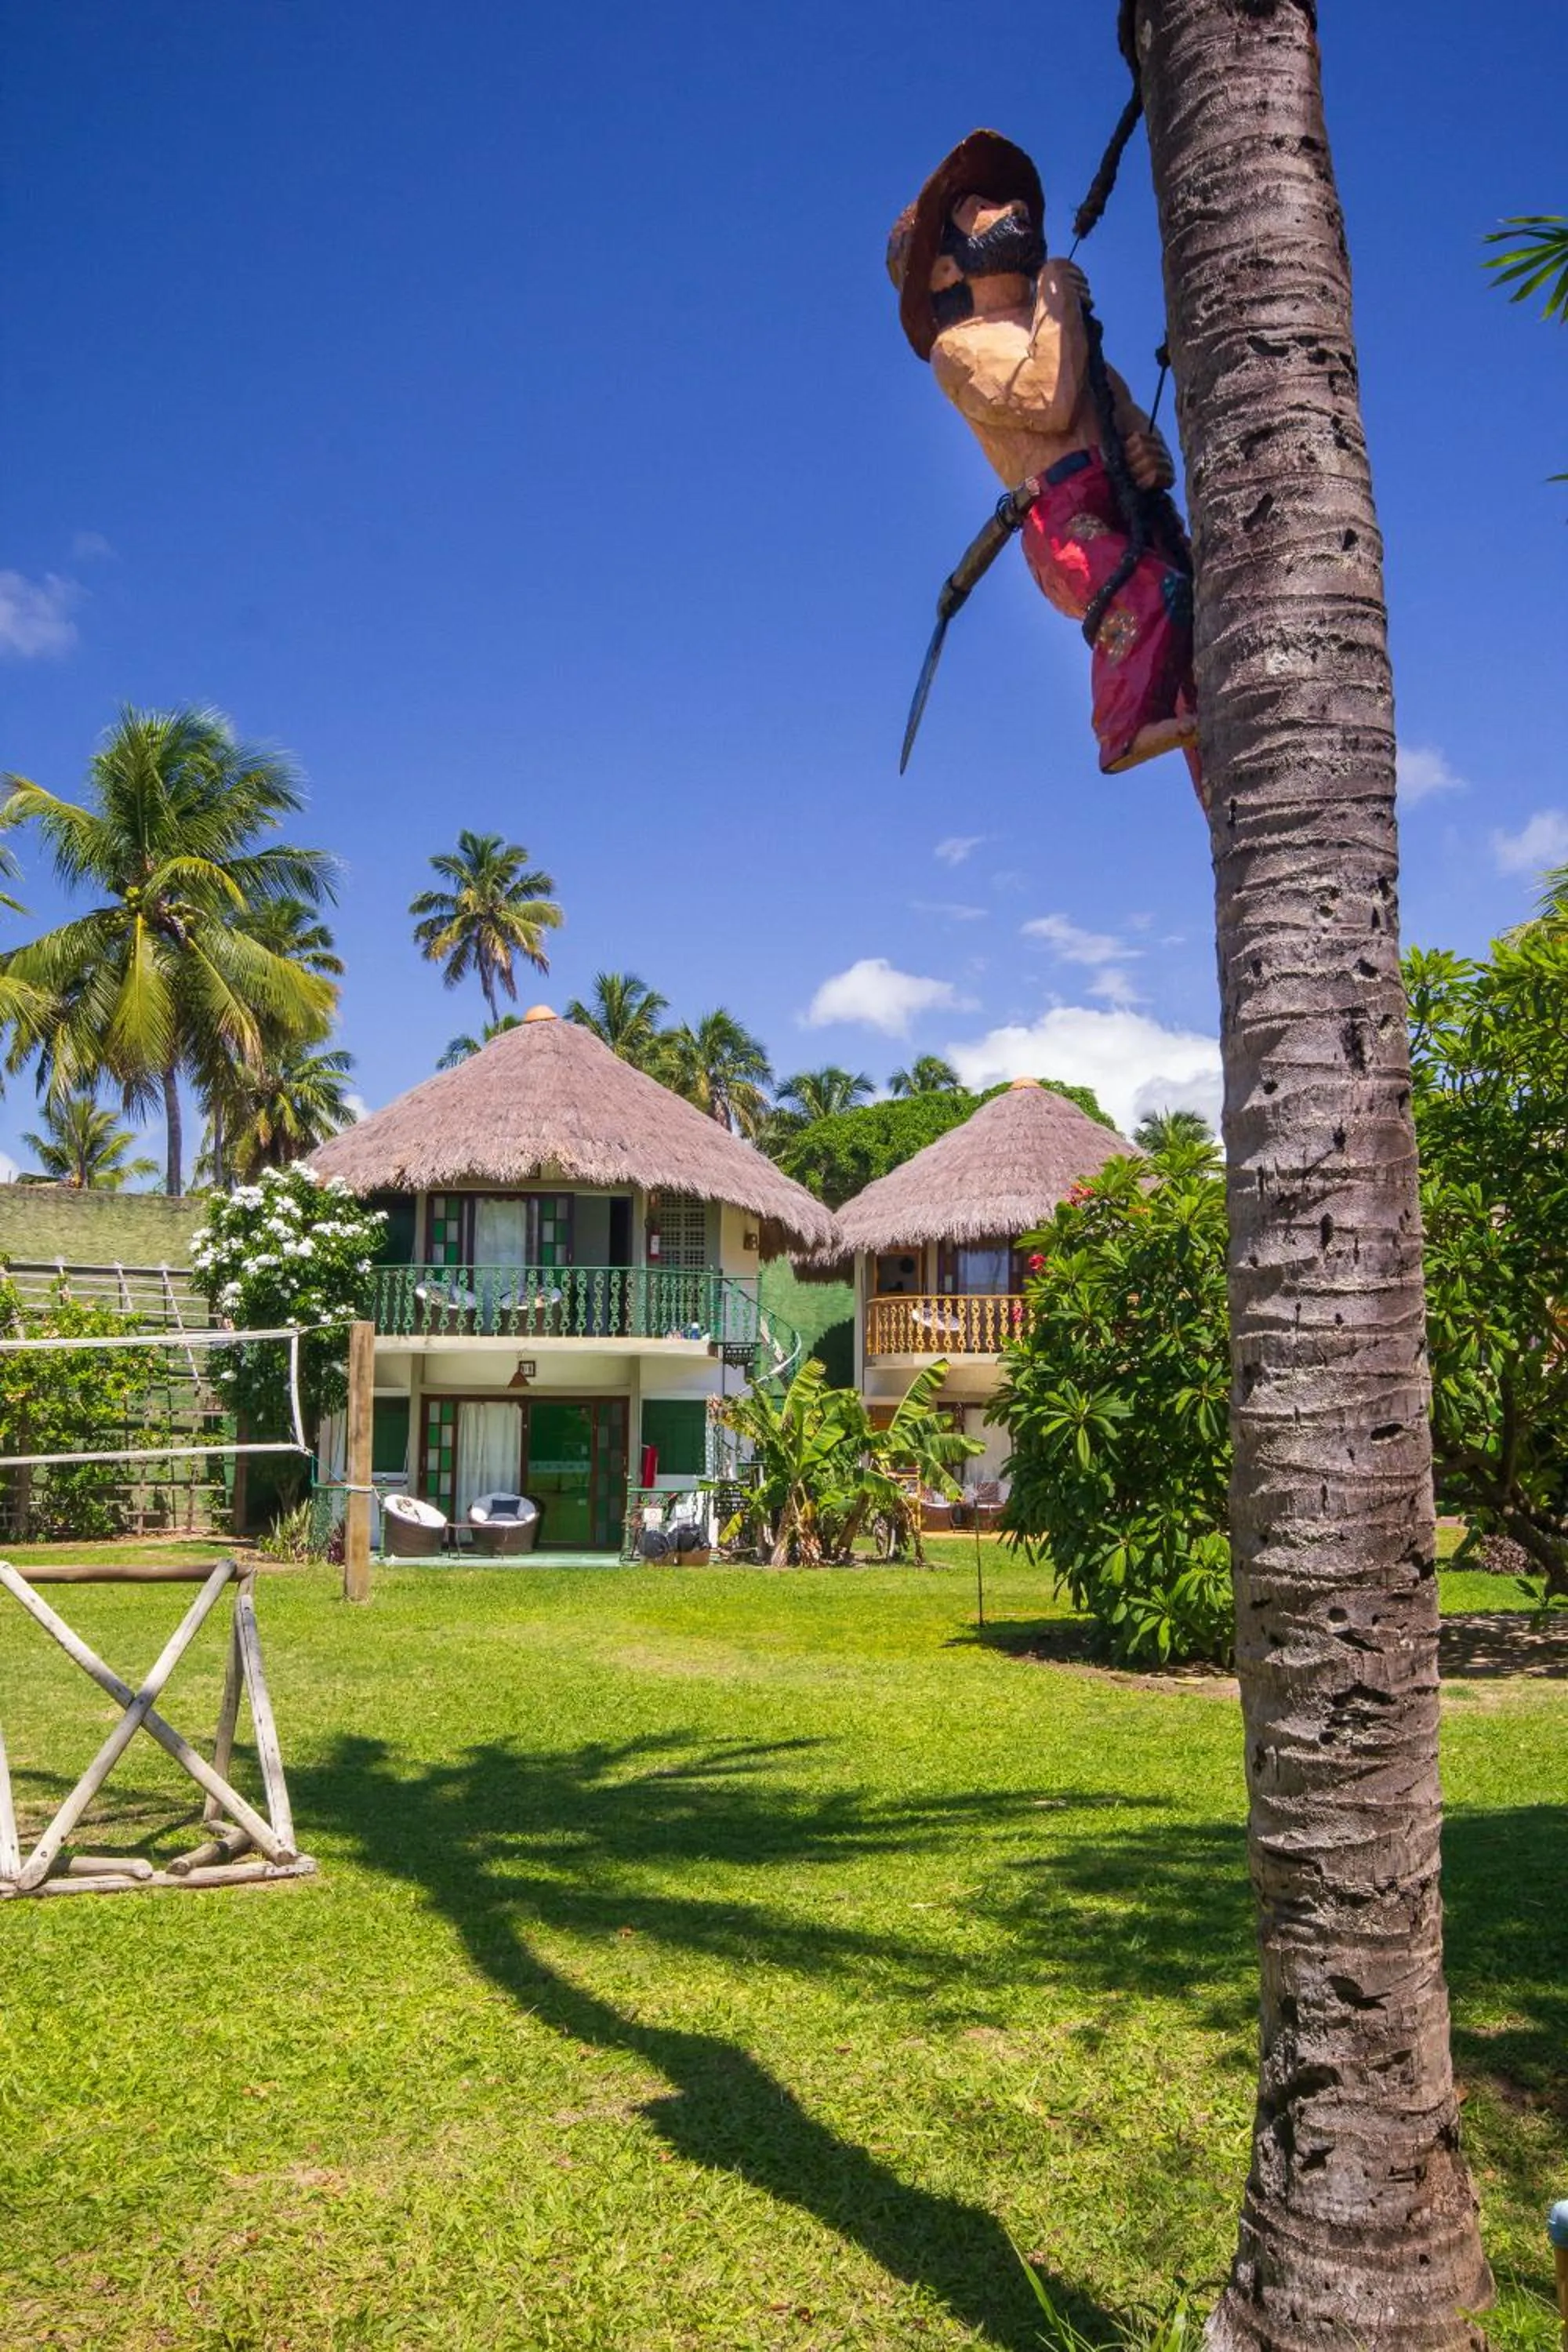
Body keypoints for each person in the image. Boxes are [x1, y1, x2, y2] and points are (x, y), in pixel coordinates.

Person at [888, 129, 1199, 782]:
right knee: (1143, 591)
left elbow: (1112, 402)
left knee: (1193, 618)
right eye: (977, 210)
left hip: (1123, 494)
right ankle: (1121, 728)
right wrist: (1056, 298)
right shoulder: (962, 348)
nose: (1011, 211)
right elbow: (1049, 401)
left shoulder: (1059, 330)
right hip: (1061, 513)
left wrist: (1149, 453)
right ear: (946, 268)